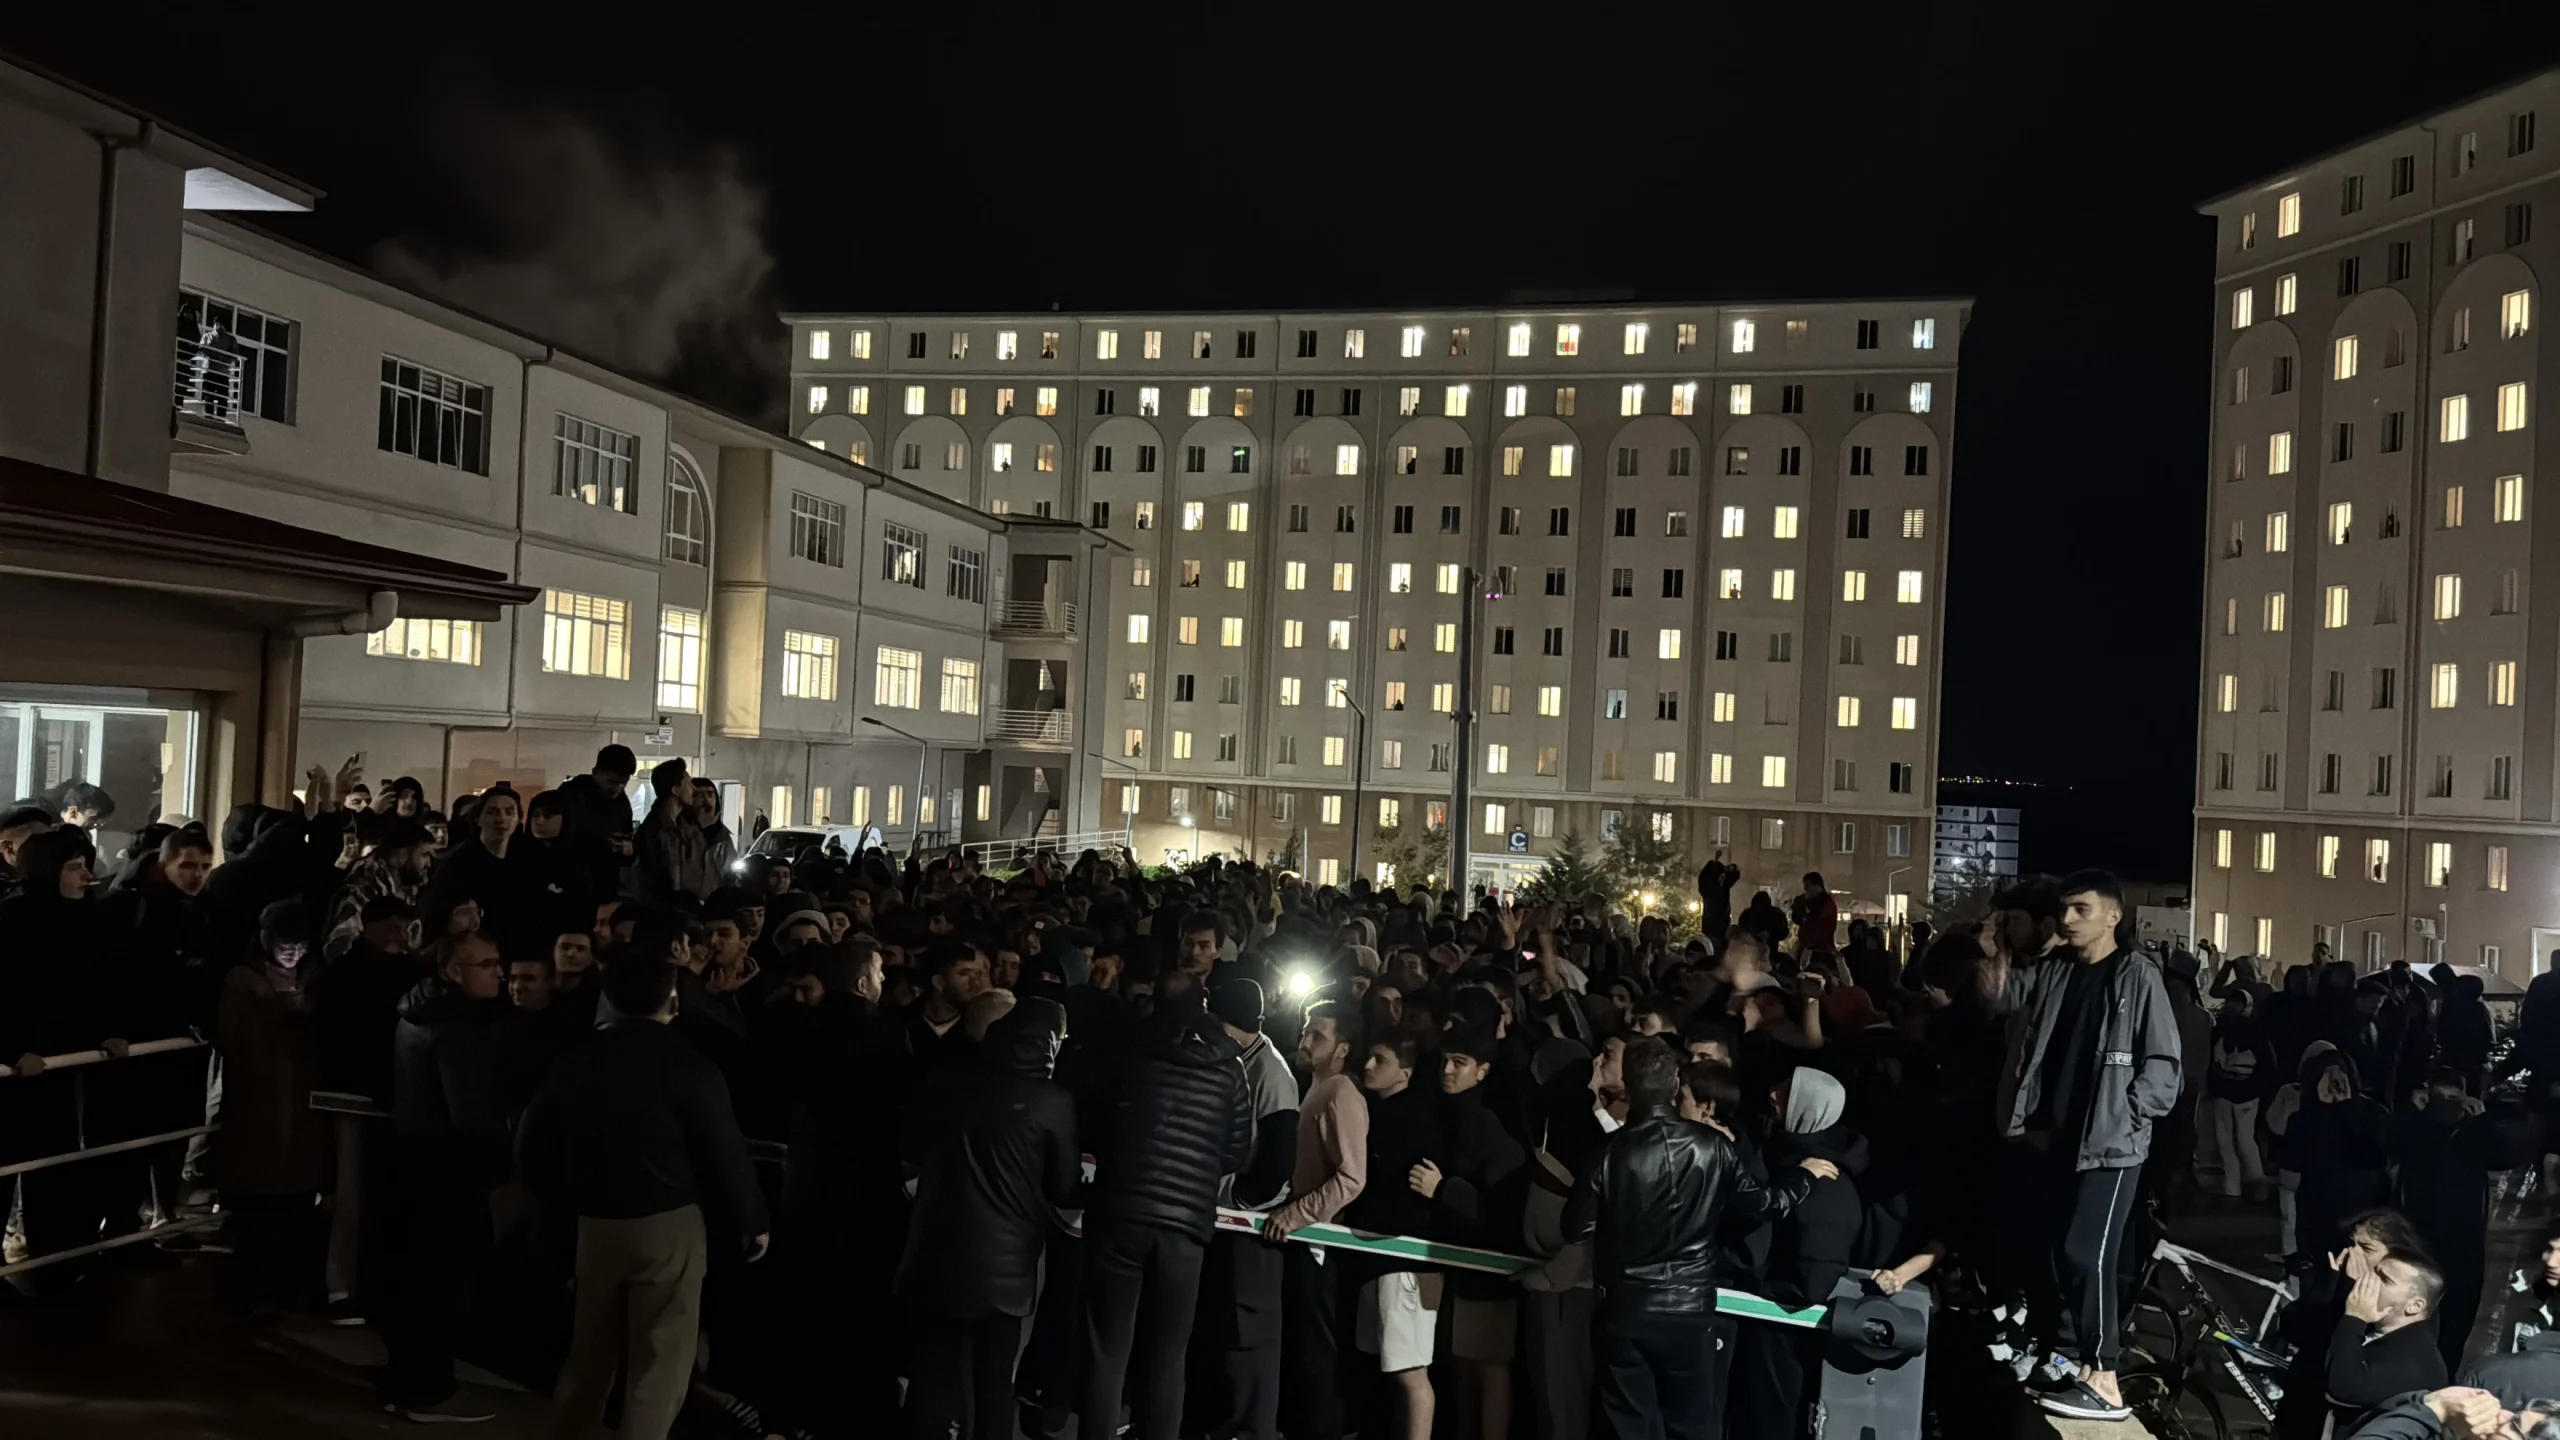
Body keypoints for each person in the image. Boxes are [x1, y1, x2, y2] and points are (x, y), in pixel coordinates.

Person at [517, 946, 769, 1440]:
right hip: (669, 1222)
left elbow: (531, 1147)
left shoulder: (574, 1062)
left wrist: (557, 1206)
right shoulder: (691, 1066)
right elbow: (724, 1151)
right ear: (671, 1001)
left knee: (589, 1355)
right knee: (660, 1364)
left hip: (594, 1223)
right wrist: (752, 1218)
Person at [1562, 1039, 1833, 1440]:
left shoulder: (1609, 1153)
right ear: (1674, 1085)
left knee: (1628, 1427)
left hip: (1626, 1307)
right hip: (1690, 1310)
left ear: (1630, 1087)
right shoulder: (1713, 1147)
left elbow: (1575, 1229)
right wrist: (1803, 1176)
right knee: (1691, 1426)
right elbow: (1765, 1204)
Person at [1989, 870, 2183, 1422]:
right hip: (2057, 1139)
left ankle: (2105, 1377)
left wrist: (2131, 1114)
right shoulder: (2055, 971)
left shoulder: (2136, 975)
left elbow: (2165, 1062)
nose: (2069, 920)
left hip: (2111, 1144)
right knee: (2053, 1252)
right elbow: (2001, 1002)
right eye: (2065, 910)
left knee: (2086, 1252)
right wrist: (1998, 938)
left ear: (2113, 916)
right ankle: (2069, 1358)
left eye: (2081, 910)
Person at [1077, 962, 1254, 1440]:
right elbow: (1240, 1147)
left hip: (1120, 1213)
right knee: (1168, 1355)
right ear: (1203, 1004)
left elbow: (1094, 1119)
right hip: (1187, 1226)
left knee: (1107, 1350)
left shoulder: (1131, 1047)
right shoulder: (1229, 1063)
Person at [896, 998, 1078, 1440]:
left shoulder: (952, 1082)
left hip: (938, 1257)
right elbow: (1064, 1188)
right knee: (994, 1386)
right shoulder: (1053, 1103)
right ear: (1051, 1043)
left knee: (932, 1378)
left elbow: (913, 1154)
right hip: (1006, 1274)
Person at [380, 932, 509, 1424]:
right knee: (443, 1283)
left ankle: (408, 1376)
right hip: (451, 1176)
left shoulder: (417, 1014)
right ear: (454, 971)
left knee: (418, 1281)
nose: (499, 971)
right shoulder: (457, 1030)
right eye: (487, 963)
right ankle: (431, 1390)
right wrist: (498, 1164)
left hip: (415, 1166)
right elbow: (471, 1114)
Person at [212, 898, 330, 1311]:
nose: (292, 951)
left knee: (296, 1197)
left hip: (302, 1103)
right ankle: (255, 1288)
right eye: (285, 942)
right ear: (265, 938)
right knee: (258, 1200)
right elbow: (233, 1039)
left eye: (300, 944)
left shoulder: (315, 979)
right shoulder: (242, 981)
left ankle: (288, 1283)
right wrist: (279, 1015)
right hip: (258, 1100)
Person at [1193, 979, 1299, 1440]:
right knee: (1222, 1328)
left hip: (1251, 1224)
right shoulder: (1237, 1060)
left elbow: (1276, 1162)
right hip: (1228, 1218)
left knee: (1248, 1335)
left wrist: (1236, 1202)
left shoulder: (1271, 1075)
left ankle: (1250, 1427)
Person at [1267, 999, 1368, 1440]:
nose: (1305, 1040)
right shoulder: (1315, 1089)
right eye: (1306, 1031)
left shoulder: (1341, 1093)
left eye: (1318, 1035)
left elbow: (1352, 1176)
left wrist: (1297, 1214)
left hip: (1319, 1242)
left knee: (1316, 1354)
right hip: (1305, 1238)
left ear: (1343, 1048)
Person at [2391, 1069, 2535, 1368]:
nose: (2446, 1106)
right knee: (2412, 1311)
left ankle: (2443, 1373)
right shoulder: (2416, 1128)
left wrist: (2482, 1120)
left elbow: (2508, 1156)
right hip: (2417, 1237)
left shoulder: (2475, 1132)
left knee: (2459, 1314)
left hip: (2463, 1240)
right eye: (2439, 1098)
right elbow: (2388, 1141)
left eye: (2453, 1099)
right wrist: (2414, 1113)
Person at [1345, 1034, 1449, 1440]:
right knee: (1390, 1368)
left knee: (1410, 1372)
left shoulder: (1415, 1118)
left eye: (1380, 1059)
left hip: (1404, 1257)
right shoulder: (1383, 1113)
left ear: (1405, 1071)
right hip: (1378, 1251)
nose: (1368, 1066)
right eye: (1368, 1057)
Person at [1429, 1024, 1529, 1440]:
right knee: (1466, 1365)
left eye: (1459, 1063)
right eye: (1445, 1062)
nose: (1448, 1071)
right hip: (1461, 1265)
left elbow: (1502, 1210)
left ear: (1483, 1071)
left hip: (1488, 1269)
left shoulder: (1488, 1127)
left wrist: (1443, 1190)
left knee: (1488, 1366)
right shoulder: (1453, 1118)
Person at [2326, 1246, 2451, 1435]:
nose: (2369, 1280)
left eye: (2385, 1280)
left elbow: (2342, 1387)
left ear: (2414, 1305)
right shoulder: (2380, 1329)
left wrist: (2354, 1318)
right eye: (2374, 1271)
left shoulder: (2418, 1362)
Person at [2202, 984, 2277, 1197]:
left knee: (2233, 1141)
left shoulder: (2222, 1029)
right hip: (2241, 1093)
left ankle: (2237, 1186)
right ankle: (2250, 1184)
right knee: (2238, 1140)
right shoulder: (2254, 1030)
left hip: (2234, 1092)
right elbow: (2268, 1064)